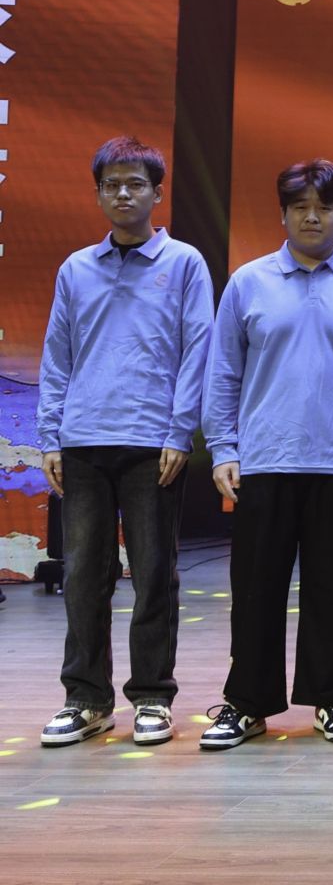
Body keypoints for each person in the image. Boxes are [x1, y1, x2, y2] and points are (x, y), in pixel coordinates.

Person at [200, 160, 333, 750]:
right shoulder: (248, 282)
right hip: (263, 459)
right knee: (255, 591)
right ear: (283, 214)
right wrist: (222, 447)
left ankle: (332, 697)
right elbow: (223, 371)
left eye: (324, 207)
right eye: (300, 207)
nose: (312, 217)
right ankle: (247, 703)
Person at [37, 137, 212, 748]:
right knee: (84, 574)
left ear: (157, 193)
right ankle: (86, 699)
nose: (123, 194)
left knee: (154, 573)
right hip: (83, 441)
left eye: (135, 184)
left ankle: (153, 697)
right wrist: (50, 436)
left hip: (151, 442)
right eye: (111, 185)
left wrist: (180, 431)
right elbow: (57, 356)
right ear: (97, 194)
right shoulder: (76, 268)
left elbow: (198, 350)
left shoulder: (184, 263)